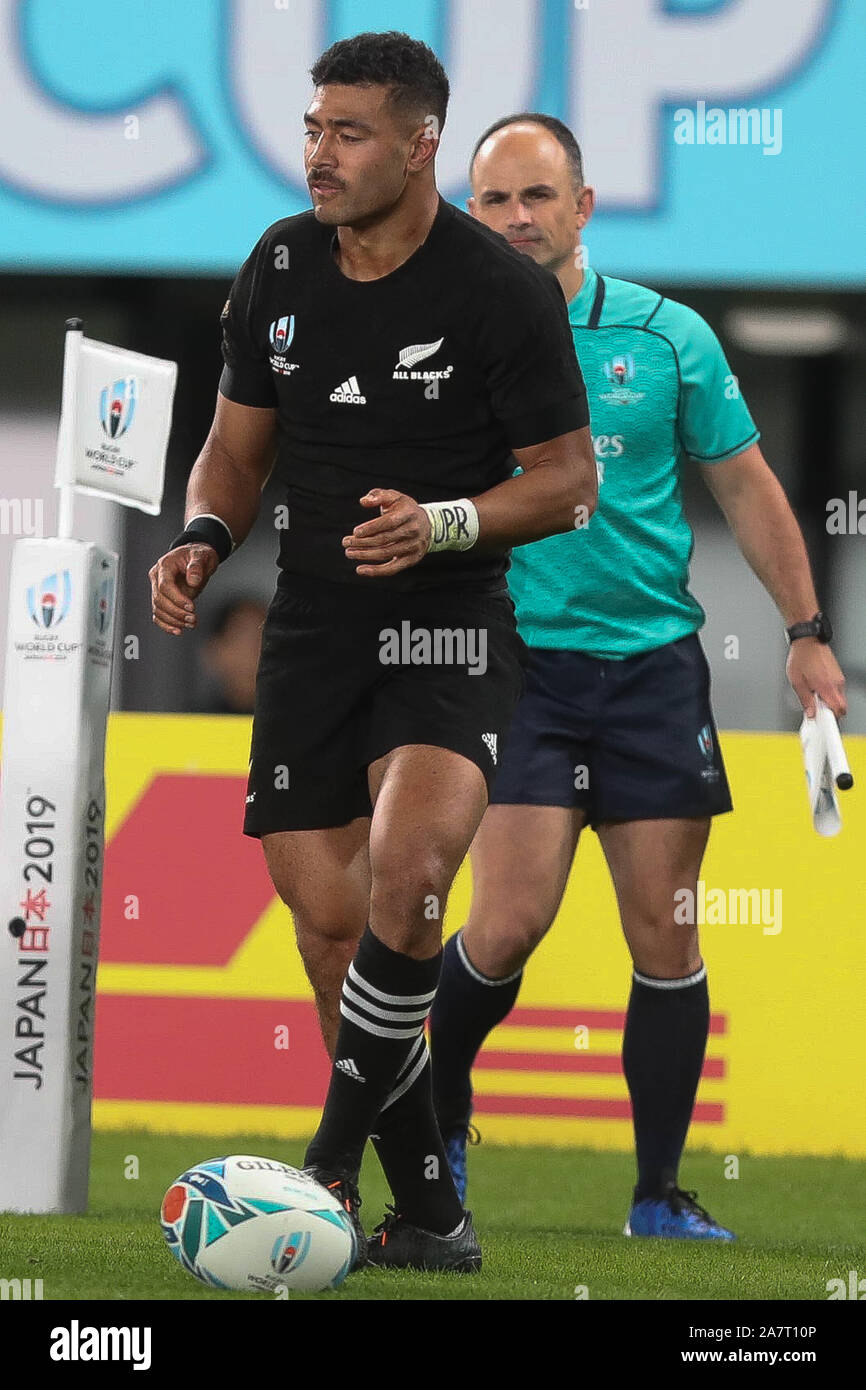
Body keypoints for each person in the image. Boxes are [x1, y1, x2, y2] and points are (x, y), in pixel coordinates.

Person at [149, 39, 596, 1272]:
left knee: (410, 882)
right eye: (311, 127)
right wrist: (199, 534)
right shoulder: (279, 264)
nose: (318, 153)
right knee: (334, 934)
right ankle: (435, 1212)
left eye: (348, 132)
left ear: (416, 145)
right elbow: (235, 454)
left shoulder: (496, 291)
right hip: (311, 628)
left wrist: (443, 520)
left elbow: (568, 483)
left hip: (446, 625)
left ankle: (326, 1168)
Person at [428, 113, 847, 1240]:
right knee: (504, 927)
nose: (516, 219)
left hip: (655, 670)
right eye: (495, 202)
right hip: (517, 669)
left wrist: (806, 629)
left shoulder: (668, 340)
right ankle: (436, 1141)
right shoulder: (447, 341)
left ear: (582, 206)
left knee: (664, 939)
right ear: (471, 213)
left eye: (536, 198)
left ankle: (656, 1196)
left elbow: (749, 490)